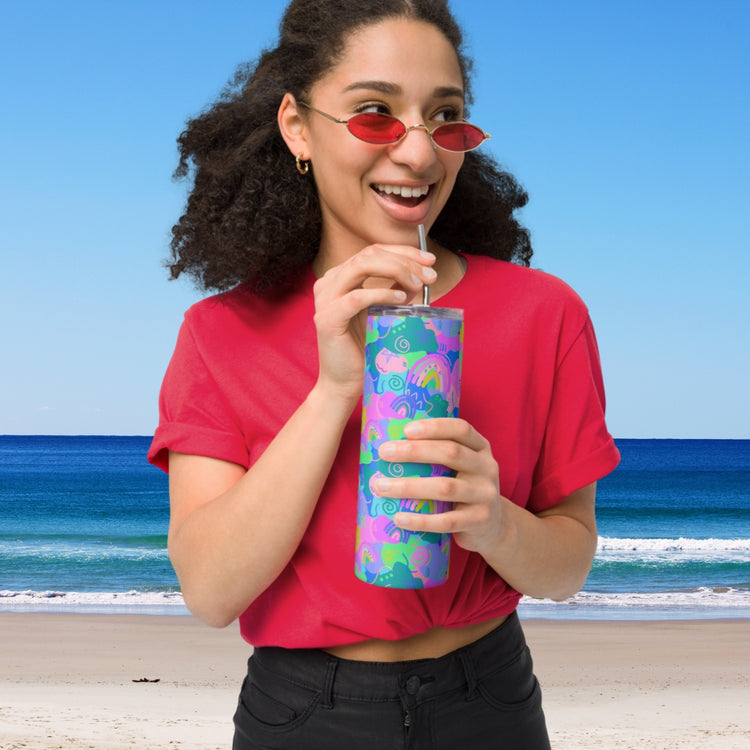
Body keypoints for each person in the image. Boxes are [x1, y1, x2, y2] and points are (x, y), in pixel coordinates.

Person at [148, 0, 620, 747]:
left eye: (445, 117)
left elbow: (568, 565)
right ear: (298, 127)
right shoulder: (220, 334)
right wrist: (336, 389)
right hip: (303, 710)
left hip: (490, 696)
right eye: (375, 114)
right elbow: (210, 591)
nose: (420, 154)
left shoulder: (545, 313)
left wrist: (496, 523)